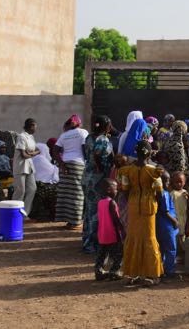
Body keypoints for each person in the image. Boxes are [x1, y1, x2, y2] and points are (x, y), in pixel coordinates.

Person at [118, 140, 163, 286]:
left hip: (133, 206)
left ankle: (132, 273)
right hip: (148, 206)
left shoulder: (127, 170)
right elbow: (159, 192)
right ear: (149, 153)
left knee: (133, 238)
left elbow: (124, 190)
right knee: (149, 238)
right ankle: (152, 274)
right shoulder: (154, 171)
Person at [82, 115, 115, 253]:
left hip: (87, 176)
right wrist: (100, 168)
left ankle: (86, 241)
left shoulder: (89, 137)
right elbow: (97, 155)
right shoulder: (103, 140)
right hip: (97, 179)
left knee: (89, 211)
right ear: (105, 126)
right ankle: (92, 245)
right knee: (96, 212)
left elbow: (87, 152)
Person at [54, 115, 89, 229]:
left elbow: (55, 150)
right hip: (78, 165)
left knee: (66, 193)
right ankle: (76, 222)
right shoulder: (83, 132)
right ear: (79, 123)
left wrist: (62, 164)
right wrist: (87, 160)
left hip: (65, 164)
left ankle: (68, 220)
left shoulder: (64, 135)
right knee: (77, 193)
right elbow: (85, 148)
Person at [95, 179, 125, 281]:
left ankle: (99, 272)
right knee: (118, 254)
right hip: (112, 234)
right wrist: (122, 229)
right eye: (115, 188)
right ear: (108, 189)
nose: (117, 191)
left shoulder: (100, 202)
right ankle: (114, 272)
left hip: (102, 234)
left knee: (102, 255)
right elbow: (116, 219)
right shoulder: (112, 203)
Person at [13, 119, 40, 222]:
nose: (36, 129)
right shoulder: (21, 136)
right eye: (34, 126)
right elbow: (24, 155)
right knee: (20, 191)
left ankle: (24, 214)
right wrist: (35, 153)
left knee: (32, 189)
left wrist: (31, 153)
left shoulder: (31, 137)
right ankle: (14, 214)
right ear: (30, 126)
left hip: (29, 167)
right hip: (20, 167)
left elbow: (32, 151)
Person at [156, 170, 178, 278]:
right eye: (166, 180)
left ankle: (161, 270)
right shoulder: (164, 194)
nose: (168, 183)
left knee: (162, 249)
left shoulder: (156, 193)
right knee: (171, 249)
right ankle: (169, 271)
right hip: (167, 225)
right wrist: (174, 221)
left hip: (159, 225)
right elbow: (166, 211)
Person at [30, 137, 59, 221]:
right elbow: (53, 172)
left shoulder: (32, 158)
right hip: (43, 186)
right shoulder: (40, 159)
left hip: (35, 186)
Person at [170, 172, 189, 258]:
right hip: (176, 219)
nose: (178, 184)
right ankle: (178, 255)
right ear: (172, 183)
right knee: (177, 238)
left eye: (180, 182)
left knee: (183, 236)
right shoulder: (172, 194)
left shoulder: (185, 193)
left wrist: (188, 199)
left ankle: (183, 255)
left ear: (184, 182)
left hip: (184, 218)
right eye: (176, 182)